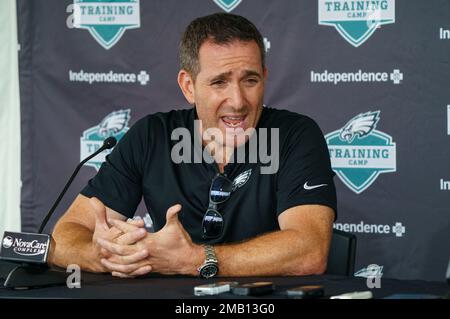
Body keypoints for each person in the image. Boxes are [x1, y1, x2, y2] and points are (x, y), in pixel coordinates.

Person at [50, 13, 337, 279]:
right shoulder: (152, 135)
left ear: (264, 78)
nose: (238, 101)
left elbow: (309, 252)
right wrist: (103, 255)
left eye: (250, 80)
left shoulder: (296, 135)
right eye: (219, 82)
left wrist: (193, 259)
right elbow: (64, 236)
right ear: (188, 86)